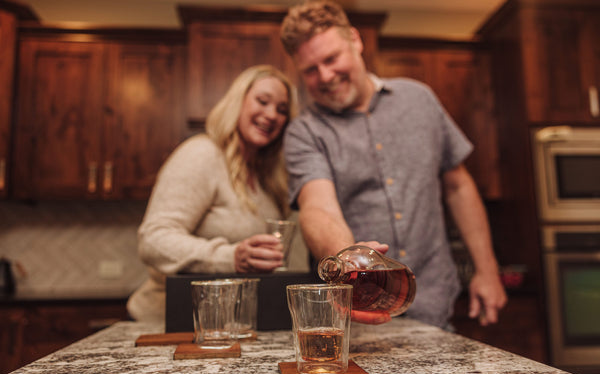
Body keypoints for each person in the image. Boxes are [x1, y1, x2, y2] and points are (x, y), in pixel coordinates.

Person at [279, 0, 507, 329]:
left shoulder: (420, 99)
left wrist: (487, 270)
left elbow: (458, 186)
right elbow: (318, 207)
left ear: (355, 40)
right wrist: (350, 263)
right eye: (311, 70)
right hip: (358, 317)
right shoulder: (305, 131)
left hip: (436, 308)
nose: (325, 76)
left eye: (331, 59)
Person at [127, 65, 298, 322]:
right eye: (262, 101)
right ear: (237, 102)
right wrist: (231, 257)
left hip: (224, 325)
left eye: (282, 110)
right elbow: (153, 240)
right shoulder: (202, 154)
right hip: (164, 323)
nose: (271, 114)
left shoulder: (268, 178)